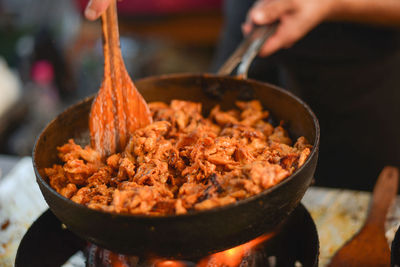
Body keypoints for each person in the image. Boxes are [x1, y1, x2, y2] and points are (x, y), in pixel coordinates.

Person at [83, 0, 400, 191]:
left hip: (360, 56)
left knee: (352, 193)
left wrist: (329, 3)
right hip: (251, 16)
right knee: (220, 100)